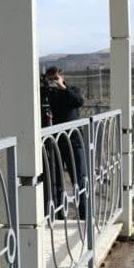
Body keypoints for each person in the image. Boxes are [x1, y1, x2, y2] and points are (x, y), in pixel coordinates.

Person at [45, 66, 87, 219]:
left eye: (55, 78)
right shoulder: (49, 94)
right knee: (55, 180)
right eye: (50, 79)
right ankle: (59, 215)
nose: (53, 82)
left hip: (73, 140)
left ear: (61, 77)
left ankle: (84, 214)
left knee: (79, 177)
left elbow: (78, 101)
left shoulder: (72, 90)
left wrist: (62, 87)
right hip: (56, 141)